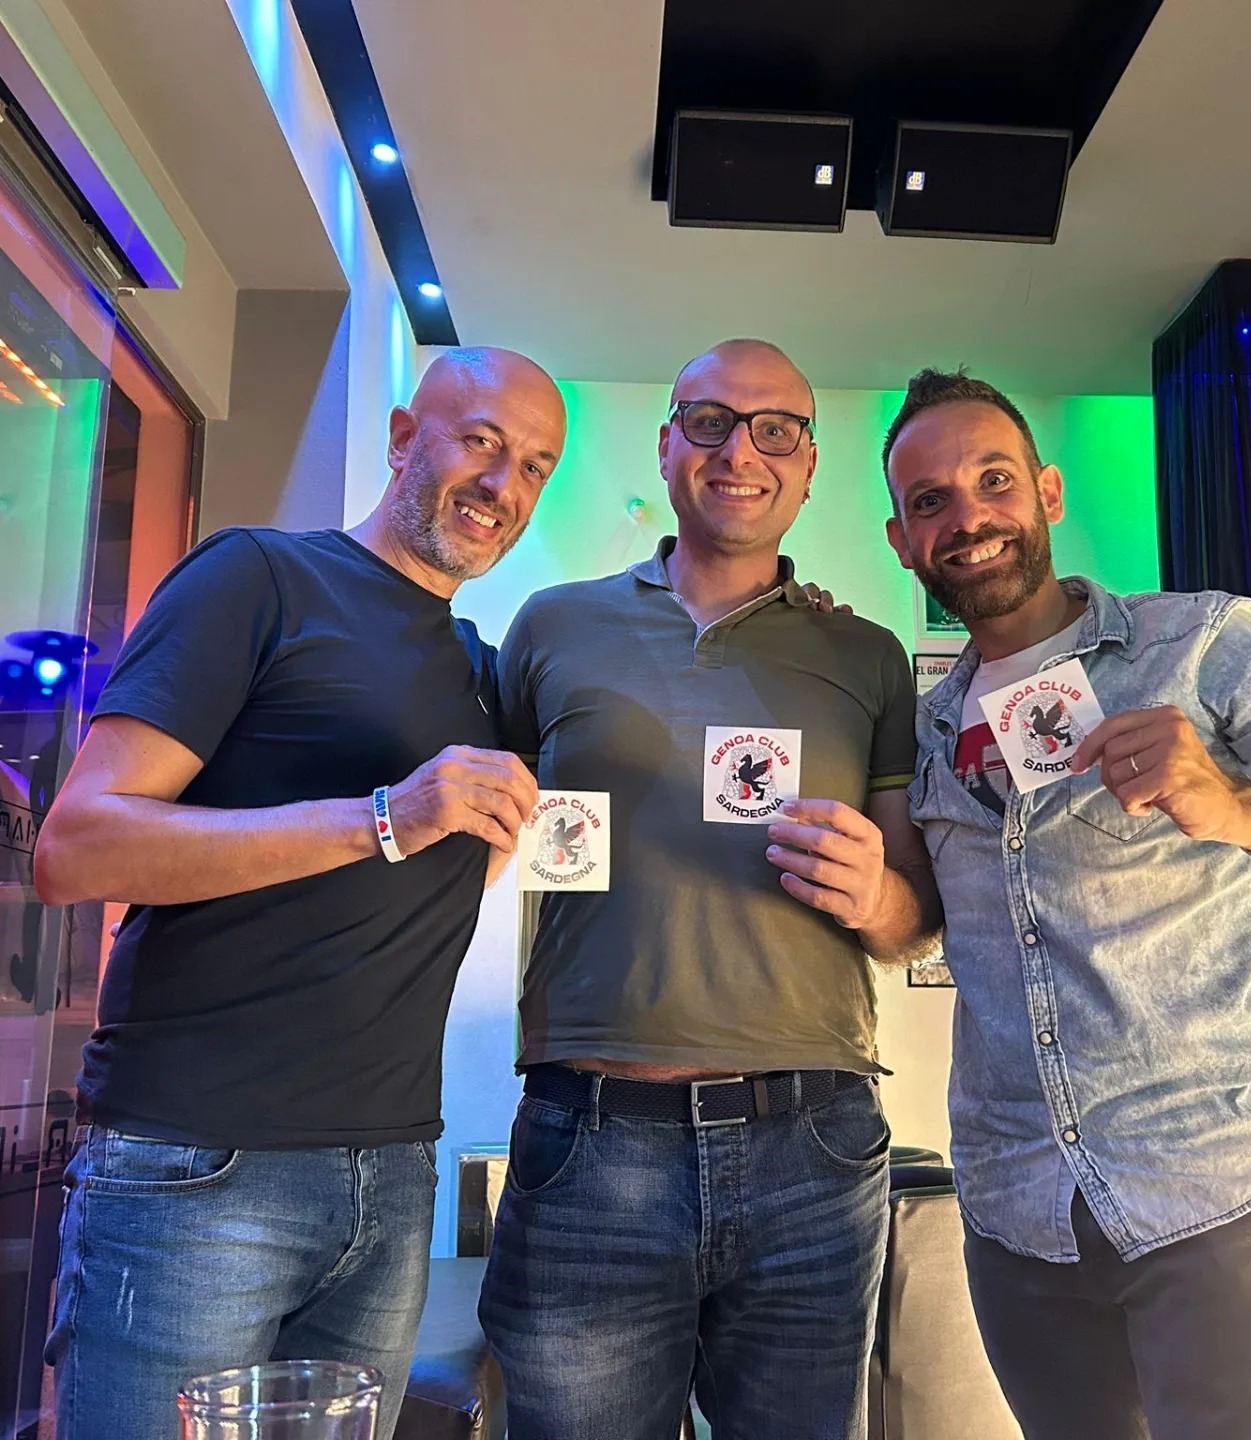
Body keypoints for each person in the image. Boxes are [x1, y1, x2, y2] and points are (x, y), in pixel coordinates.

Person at [882, 364, 1251, 1440]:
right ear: (903, 540)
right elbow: (923, 921)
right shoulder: (922, 729)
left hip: (1215, 1196)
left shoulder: (1202, 645)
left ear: (1048, 492)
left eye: (994, 480)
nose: (969, 518)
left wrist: (1250, 810)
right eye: (930, 501)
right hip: (1017, 1218)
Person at [33, 346, 567, 1440]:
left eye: (534, 467)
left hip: (393, 1173)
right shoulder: (258, 577)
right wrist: (384, 817)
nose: (502, 484)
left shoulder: (482, 670)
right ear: (402, 439)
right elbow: (76, 847)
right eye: (480, 442)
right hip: (196, 1164)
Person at [480, 338, 942, 1440]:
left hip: (814, 1147)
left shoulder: (870, 655)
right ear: (666, 444)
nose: (741, 451)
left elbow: (914, 923)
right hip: (589, 1137)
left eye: (775, 428)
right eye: (710, 422)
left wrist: (874, 896)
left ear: (809, 464)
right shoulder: (550, 625)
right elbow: (483, 826)